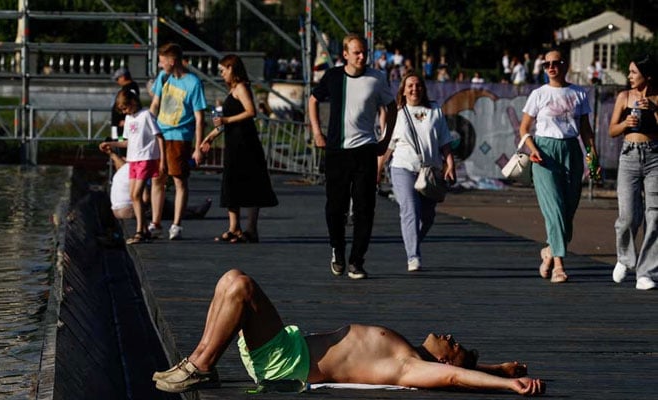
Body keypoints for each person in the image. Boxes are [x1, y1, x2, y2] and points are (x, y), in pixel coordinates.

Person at [151, 269, 545, 396]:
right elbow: (461, 367)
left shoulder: (406, 366)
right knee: (229, 279)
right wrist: (500, 369)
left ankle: (199, 365)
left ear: (441, 360)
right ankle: (201, 360)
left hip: (286, 363)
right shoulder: (408, 351)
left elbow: (457, 376)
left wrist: (508, 388)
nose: (449, 335)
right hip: (288, 348)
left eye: (454, 345)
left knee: (241, 287)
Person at [308, 33, 397, 279]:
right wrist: (317, 132)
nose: (361, 56)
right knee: (335, 207)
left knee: (364, 208)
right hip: (337, 150)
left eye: (364, 52)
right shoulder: (334, 76)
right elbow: (313, 100)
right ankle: (337, 248)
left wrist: (385, 140)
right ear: (345, 54)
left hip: (366, 150)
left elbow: (392, 107)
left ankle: (357, 261)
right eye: (356, 52)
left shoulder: (377, 78)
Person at [518, 50, 599, 283]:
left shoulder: (579, 93)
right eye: (547, 64)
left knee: (567, 211)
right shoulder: (538, 94)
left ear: (565, 65)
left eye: (555, 63)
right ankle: (559, 266)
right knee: (554, 208)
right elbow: (524, 128)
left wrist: (593, 158)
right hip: (544, 152)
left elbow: (586, 130)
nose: (551, 67)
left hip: (571, 150)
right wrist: (533, 149)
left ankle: (549, 252)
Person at [200, 54, 278, 244]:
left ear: (231, 68)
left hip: (246, 142)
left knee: (251, 183)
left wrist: (226, 120)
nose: (221, 74)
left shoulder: (241, 87)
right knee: (231, 183)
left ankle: (251, 229)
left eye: (223, 70)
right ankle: (234, 227)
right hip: (233, 142)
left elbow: (251, 111)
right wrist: (210, 137)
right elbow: (225, 122)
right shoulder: (232, 90)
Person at [382, 73, 456, 272]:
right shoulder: (396, 114)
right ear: (403, 90)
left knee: (428, 216)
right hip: (403, 167)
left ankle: (412, 240)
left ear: (423, 88)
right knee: (410, 210)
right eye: (410, 86)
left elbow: (444, 140)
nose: (414, 89)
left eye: (418, 85)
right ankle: (413, 256)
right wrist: (377, 169)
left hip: (430, 170)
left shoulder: (434, 111)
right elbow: (387, 146)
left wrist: (450, 162)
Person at [608, 54, 658, 290]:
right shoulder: (624, 97)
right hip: (629, 156)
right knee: (627, 215)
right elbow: (612, 131)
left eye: (633, 72)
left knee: (655, 215)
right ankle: (625, 258)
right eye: (629, 72)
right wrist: (625, 124)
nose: (629, 77)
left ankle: (646, 271)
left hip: (654, 157)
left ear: (647, 76)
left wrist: (655, 110)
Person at [149, 42, 207, 240]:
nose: (160, 65)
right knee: (157, 178)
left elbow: (200, 117)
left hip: (180, 136)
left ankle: (176, 224)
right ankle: (155, 222)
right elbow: (155, 104)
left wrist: (198, 147)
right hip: (161, 134)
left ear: (172, 61)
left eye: (162, 61)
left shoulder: (193, 83)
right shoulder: (164, 78)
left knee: (179, 179)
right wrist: (147, 127)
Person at [102, 89, 165, 244]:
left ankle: (139, 231)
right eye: (122, 110)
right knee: (133, 195)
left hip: (146, 158)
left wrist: (162, 159)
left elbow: (159, 137)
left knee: (136, 194)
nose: (125, 112)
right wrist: (111, 143)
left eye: (126, 108)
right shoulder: (129, 118)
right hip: (133, 159)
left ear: (133, 102)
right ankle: (143, 228)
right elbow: (128, 141)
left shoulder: (146, 115)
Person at [98, 143, 212, 222]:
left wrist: (112, 154)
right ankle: (192, 213)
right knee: (161, 202)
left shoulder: (128, 167)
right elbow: (146, 198)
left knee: (159, 198)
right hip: (129, 210)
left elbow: (119, 163)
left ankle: (191, 210)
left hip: (116, 210)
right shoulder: (144, 168)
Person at [110, 67, 140, 141]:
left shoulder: (131, 89)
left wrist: (126, 119)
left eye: (117, 79)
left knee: (120, 142)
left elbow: (132, 106)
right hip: (119, 126)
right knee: (117, 142)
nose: (117, 82)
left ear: (123, 77)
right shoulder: (125, 89)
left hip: (122, 126)